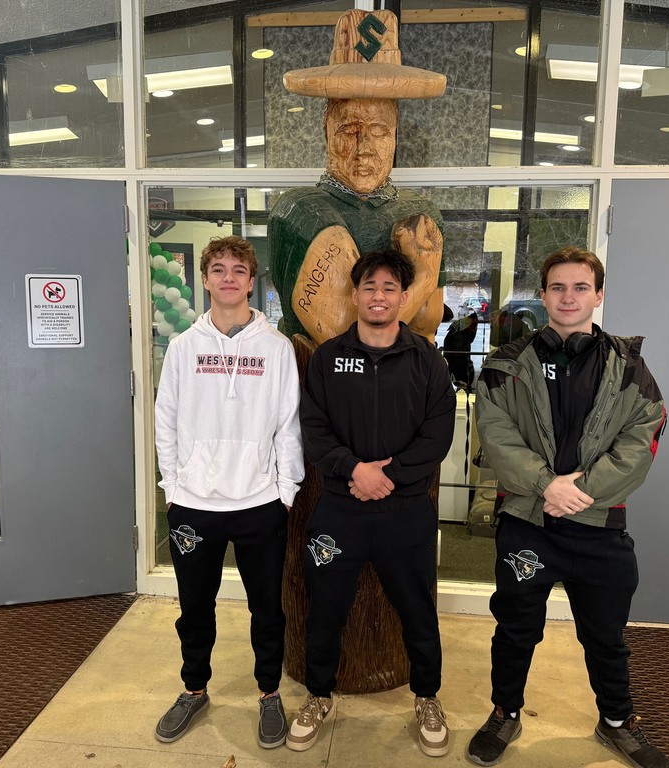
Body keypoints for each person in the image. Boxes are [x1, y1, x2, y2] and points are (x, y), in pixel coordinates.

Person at [471, 246, 669, 767]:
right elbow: (496, 436)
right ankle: (504, 713)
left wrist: (577, 492)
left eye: (581, 287)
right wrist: (545, 486)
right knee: (515, 628)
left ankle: (617, 722)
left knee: (606, 636)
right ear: (542, 295)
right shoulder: (504, 367)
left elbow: (642, 437)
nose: (568, 296)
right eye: (558, 287)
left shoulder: (629, 368)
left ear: (598, 295)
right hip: (528, 526)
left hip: (600, 526)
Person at [287, 249, 456, 757]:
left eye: (389, 288)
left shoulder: (427, 359)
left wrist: (391, 477)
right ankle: (319, 696)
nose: (378, 296)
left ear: (403, 298)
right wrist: (353, 470)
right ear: (355, 294)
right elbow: (312, 429)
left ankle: (426, 696)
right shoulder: (327, 358)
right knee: (326, 609)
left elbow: (437, 433)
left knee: (418, 610)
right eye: (369, 287)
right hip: (340, 508)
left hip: (405, 512)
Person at [153, 235, 305, 749]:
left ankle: (268, 694)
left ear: (251, 278)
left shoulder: (276, 348)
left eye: (238, 270)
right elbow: (166, 421)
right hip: (194, 504)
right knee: (195, 608)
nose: (228, 279)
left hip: (260, 504)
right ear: (205, 278)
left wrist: (286, 491)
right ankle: (194, 689)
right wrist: (172, 486)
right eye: (218, 269)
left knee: (268, 608)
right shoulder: (183, 347)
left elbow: (289, 424)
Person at [269, 8, 448, 345]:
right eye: (349, 128)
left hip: (402, 390)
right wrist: (422, 278)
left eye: (379, 130)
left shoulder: (422, 213)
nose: (364, 147)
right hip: (321, 392)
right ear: (325, 130)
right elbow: (344, 335)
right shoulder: (301, 211)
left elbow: (427, 328)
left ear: (396, 135)